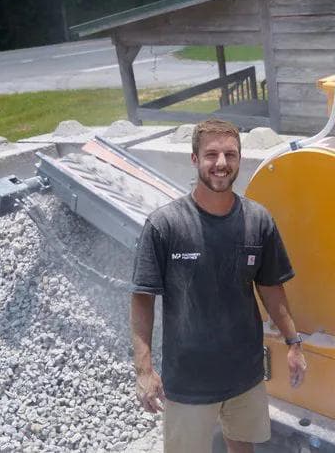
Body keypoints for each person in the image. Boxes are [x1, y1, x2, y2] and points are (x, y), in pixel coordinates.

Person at [130, 118, 307, 453]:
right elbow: (142, 298)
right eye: (211, 154)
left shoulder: (258, 220)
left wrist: (293, 343)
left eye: (230, 154)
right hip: (188, 382)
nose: (221, 163)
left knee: (243, 447)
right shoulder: (165, 225)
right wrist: (144, 370)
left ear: (240, 158)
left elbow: (271, 288)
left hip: (245, 376)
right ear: (194, 159)